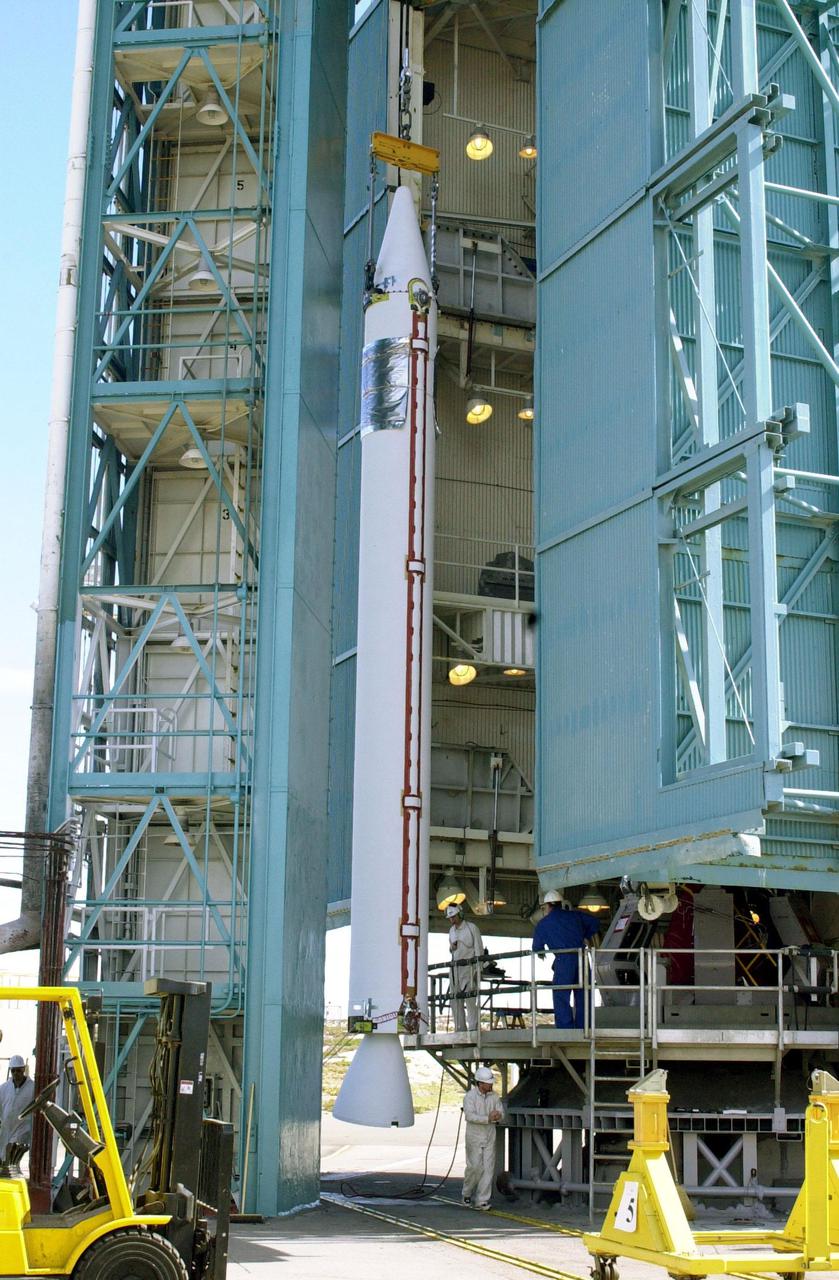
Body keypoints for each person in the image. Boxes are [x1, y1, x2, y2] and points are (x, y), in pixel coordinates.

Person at [532, 890, 599, 1029]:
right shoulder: (575, 916)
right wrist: (583, 935)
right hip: (582, 957)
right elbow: (595, 923)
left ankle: (565, 1028)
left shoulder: (544, 924)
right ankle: (584, 1026)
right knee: (584, 993)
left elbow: (537, 948)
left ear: (547, 906)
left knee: (561, 994)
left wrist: (541, 953)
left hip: (564, 960)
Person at [462, 1065, 504, 1210]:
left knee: (488, 1168)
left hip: (489, 1134)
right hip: (474, 1135)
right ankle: (467, 1192)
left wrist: (498, 1116)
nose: (491, 1084)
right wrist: (487, 1118)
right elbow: (469, 1116)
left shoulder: (494, 1096)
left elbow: (500, 1112)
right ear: (480, 1083)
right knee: (474, 1167)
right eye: (488, 1083)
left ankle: (482, 1200)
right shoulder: (470, 1097)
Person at [447, 903, 483, 1031]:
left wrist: (478, 970)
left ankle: (473, 1028)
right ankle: (459, 1028)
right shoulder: (451, 931)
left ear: (460, 914)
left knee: (470, 1000)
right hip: (455, 970)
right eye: (450, 918)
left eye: (454, 917)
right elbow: (451, 950)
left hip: (469, 968)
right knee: (455, 1000)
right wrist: (452, 948)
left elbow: (479, 950)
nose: (452, 920)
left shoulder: (472, 928)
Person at [0, 1056, 35, 1165]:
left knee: (13, 1148)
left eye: (18, 1070)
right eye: (13, 1070)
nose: (16, 1073)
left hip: (23, 1127)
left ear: (23, 1069)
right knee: (4, 1155)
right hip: (7, 1128)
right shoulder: (4, 1088)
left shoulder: (33, 1087)